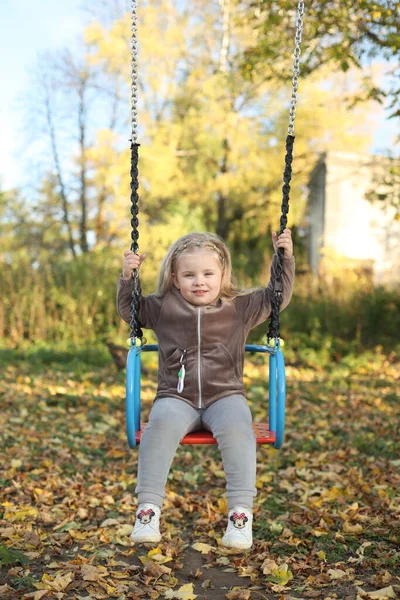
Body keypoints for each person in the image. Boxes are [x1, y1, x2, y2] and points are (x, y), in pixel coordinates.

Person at [117, 230, 294, 550]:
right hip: (175, 396)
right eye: (189, 274)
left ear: (223, 274)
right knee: (159, 428)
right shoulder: (162, 307)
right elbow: (130, 309)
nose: (199, 281)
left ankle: (240, 517)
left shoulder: (239, 307)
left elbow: (276, 297)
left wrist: (284, 258)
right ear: (174, 278)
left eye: (208, 273)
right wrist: (129, 276)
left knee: (241, 430)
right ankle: (147, 511)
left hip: (225, 395)